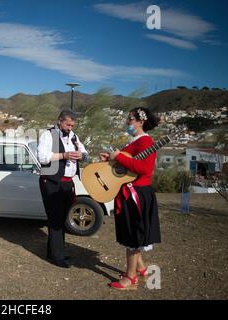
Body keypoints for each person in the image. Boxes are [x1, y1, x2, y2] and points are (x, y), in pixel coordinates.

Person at [99, 107, 161, 290]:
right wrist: (110, 159)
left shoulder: (146, 141)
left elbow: (144, 169)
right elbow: (126, 165)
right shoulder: (135, 141)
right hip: (129, 192)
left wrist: (118, 156)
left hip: (137, 195)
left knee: (133, 237)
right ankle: (141, 268)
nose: (127, 122)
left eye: (130, 119)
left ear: (140, 122)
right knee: (132, 233)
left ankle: (130, 278)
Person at [38, 109, 88, 268]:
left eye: (72, 125)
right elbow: (42, 157)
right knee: (55, 218)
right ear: (60, 120)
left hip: (67, 183)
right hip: (51, 181)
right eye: (68, 124)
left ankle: (54, 251)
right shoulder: (48, 135)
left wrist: (82, 155)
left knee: (62, 217)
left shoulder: (74, 136)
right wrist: (64, 155)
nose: (70, 128)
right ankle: (57, 256)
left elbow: (85, 153)